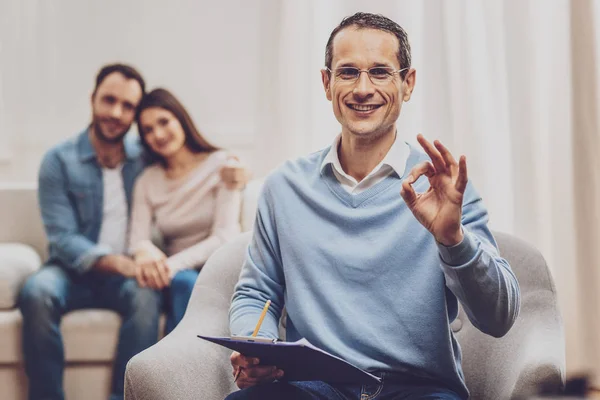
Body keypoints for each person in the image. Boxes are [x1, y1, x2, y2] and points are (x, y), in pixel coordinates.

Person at [227, 12, 520, 400]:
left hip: (420, 390)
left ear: (407, 83)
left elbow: (499, 318)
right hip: (310, 389)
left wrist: (453, 240)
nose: (363, 89)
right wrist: (255, 346)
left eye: (380, 72)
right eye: (348, 72)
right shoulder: (284, 187)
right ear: (327, 83)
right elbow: (256, 294)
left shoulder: (443, 189)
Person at [17, 63, 248, 400]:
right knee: (36, 292)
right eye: (109, 100)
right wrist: (133, 261)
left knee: (145, 295)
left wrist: (240, 171)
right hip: (70, 270)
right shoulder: (58, 161)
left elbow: (195, 165)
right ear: (93, 98)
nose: (116, 112)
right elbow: (63, 240)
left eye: (127, 106)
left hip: (129, 275)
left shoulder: (146, 157)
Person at [128, 88, 242, 335]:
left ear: (180, 118)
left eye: (164, 122)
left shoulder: (223, 165)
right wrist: (146, 254)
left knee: (186, 282)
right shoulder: (147, 181)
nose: (158, 134)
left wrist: (170, 266)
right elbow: (137, 240)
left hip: (216, 268)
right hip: (175, 277)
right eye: (148, 130)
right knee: (176, 284)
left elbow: (225, 236)